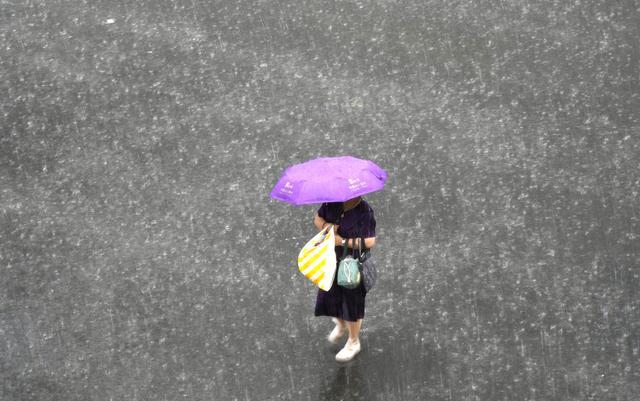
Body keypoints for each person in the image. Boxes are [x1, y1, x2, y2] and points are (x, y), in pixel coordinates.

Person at [313, 196, 376, 362]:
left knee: (352, 304)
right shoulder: (330, 203)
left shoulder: (364, 211)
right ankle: (341, 325)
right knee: (329, 297)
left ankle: (353, 342)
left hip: (353, 265)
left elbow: (370, 241)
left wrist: (343, 242)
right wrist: (328, 227)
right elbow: (318, 219)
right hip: (332, 260)